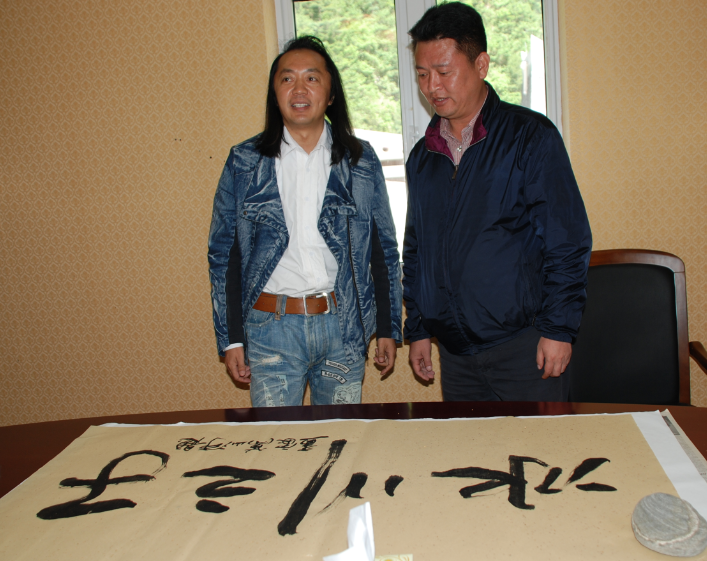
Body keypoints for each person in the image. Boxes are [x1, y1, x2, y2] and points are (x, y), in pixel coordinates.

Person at [403, 2, 592, 402]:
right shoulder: (423, 156)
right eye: (422, 74)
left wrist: (558, 329)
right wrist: (418, 329)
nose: (432, 86)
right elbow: (417, 249)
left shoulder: (530, 137)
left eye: (443, 72)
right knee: (466, 445)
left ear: (481, 64)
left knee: (541, 443)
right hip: (456, 355)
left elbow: (567, 241)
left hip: (526, 348)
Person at [208, 36, 402, 407]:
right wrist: (231, 338)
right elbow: (224, 254)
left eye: (312, 78)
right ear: (275, 93)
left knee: (342, 436)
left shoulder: (360, 161)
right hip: (270, 330)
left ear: (331, 94)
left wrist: (387, 327)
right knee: (277, 438)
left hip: (343, 328)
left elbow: (382, 251)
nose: (299, 89)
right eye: (287, 79)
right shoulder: (245, 162)